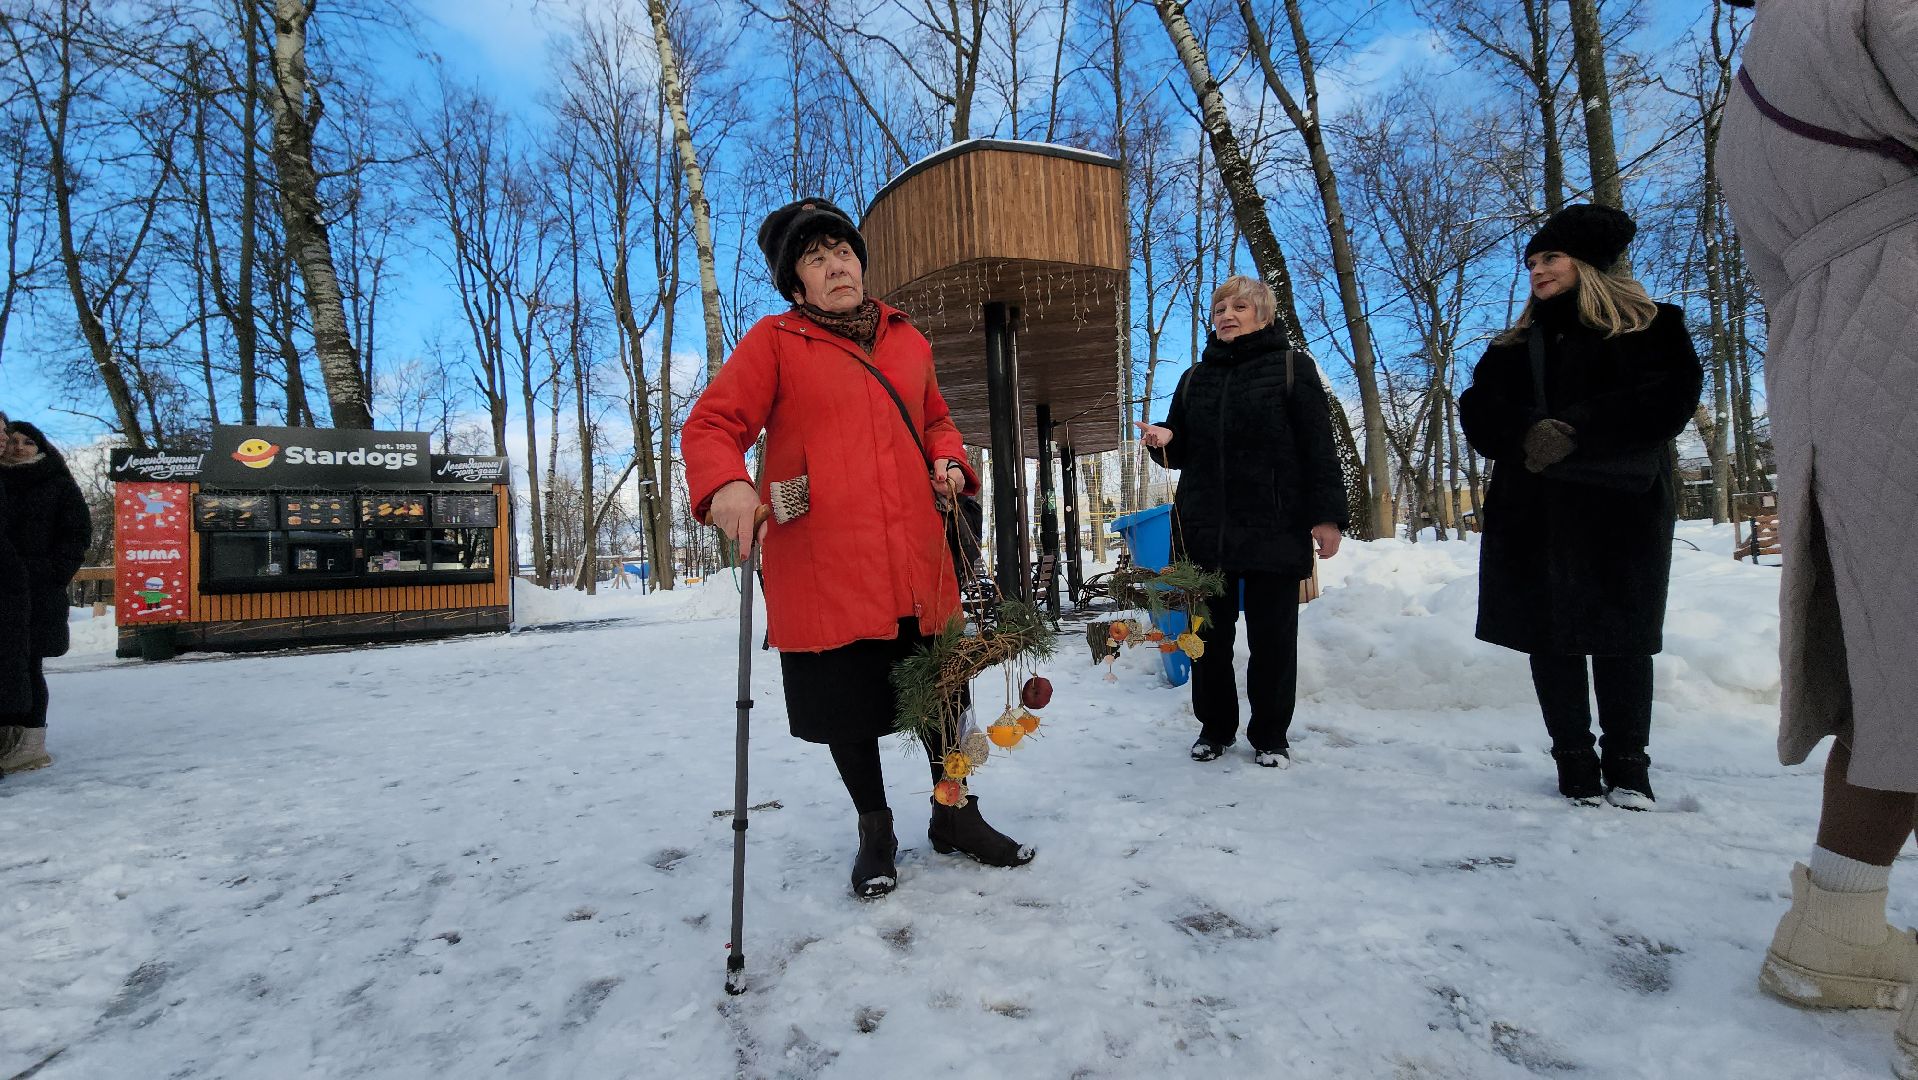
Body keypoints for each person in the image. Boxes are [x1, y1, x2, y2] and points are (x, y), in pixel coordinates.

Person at [682, 198, 1033, 900]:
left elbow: (936, 419)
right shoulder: (774, 342)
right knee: (849, 702)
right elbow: (713, 423)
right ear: (795, 285)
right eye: (816, 258)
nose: (836, 265)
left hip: (915, 555)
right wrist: (725, 484)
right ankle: (875, 830)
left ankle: (955, 815)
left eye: (843, 252)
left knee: (943, 692)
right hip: (826, 564)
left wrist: (951, 460)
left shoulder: (909, 341)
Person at [1716, 0, 1918, 1071]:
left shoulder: (1747, 92)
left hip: (1828, 368)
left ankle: (1833, 932)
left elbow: (1766, 270)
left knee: (1896, 670)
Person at [1457, 204, 1701, 809]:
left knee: (1622, 634)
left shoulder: (1653, 327)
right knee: (1552, 634)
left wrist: (1577, 427)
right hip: (1534, 508)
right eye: (1533, 262)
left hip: (1622, 507)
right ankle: (1573, 758)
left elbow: (1669, 397)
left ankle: (1628, 764)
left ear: (1588, 264)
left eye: (1551, 258)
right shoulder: (1513, 344)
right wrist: (1525, 432)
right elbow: (1477, 407)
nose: (1537, 270)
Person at [1135, 275, 1347, 769]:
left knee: (1273, 637)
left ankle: (1271, 735)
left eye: (1239, 307)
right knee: (1207, 634)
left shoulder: (1294, 369)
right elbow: (1181, 450)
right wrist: (1164, 441)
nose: (1227, 315)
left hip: (1275, 524)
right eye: (1220, 308)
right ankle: (1215, 728)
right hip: (1206, 528)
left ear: (1264, 315)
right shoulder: (1195, 378)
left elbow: (1319, 447)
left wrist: (1327, 517)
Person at [0, 419, 93, 774]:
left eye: (29, 441)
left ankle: (29, 743)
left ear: (41, 447)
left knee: (30, 663)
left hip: (39, 591)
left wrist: (53, 572)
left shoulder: (57, 484)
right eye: (14, 440)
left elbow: (76, 535)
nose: (19, 447)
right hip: (4, 587)